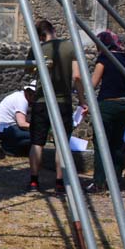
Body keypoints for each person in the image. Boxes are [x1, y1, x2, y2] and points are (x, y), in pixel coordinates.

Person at [26, 19, 86, 194]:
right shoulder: (70, 46)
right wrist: (82, 100)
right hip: (62, 102)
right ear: (53, 29)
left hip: (41, 101)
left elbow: (28, 70)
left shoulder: (36, 49)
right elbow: (77, 77)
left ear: (40, 36)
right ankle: (60, 182)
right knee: (62, 144)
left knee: (37, 142)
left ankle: (34, 182)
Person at [88, 30, 125, 192]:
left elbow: (93, 83)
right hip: (123, 104)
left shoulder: (104, 58)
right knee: (117, 144)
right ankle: (114, 181)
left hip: (107, 104)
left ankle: (100, 182)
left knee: (102, 143)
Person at [0, 82, 37, 156]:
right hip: (1, 129)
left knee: (30, 136)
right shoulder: (22, 101)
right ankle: (8, 147)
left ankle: (10, 145)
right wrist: (38, 128)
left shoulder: (19, 96)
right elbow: (22, 123)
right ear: (28, 92)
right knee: (35, 135)